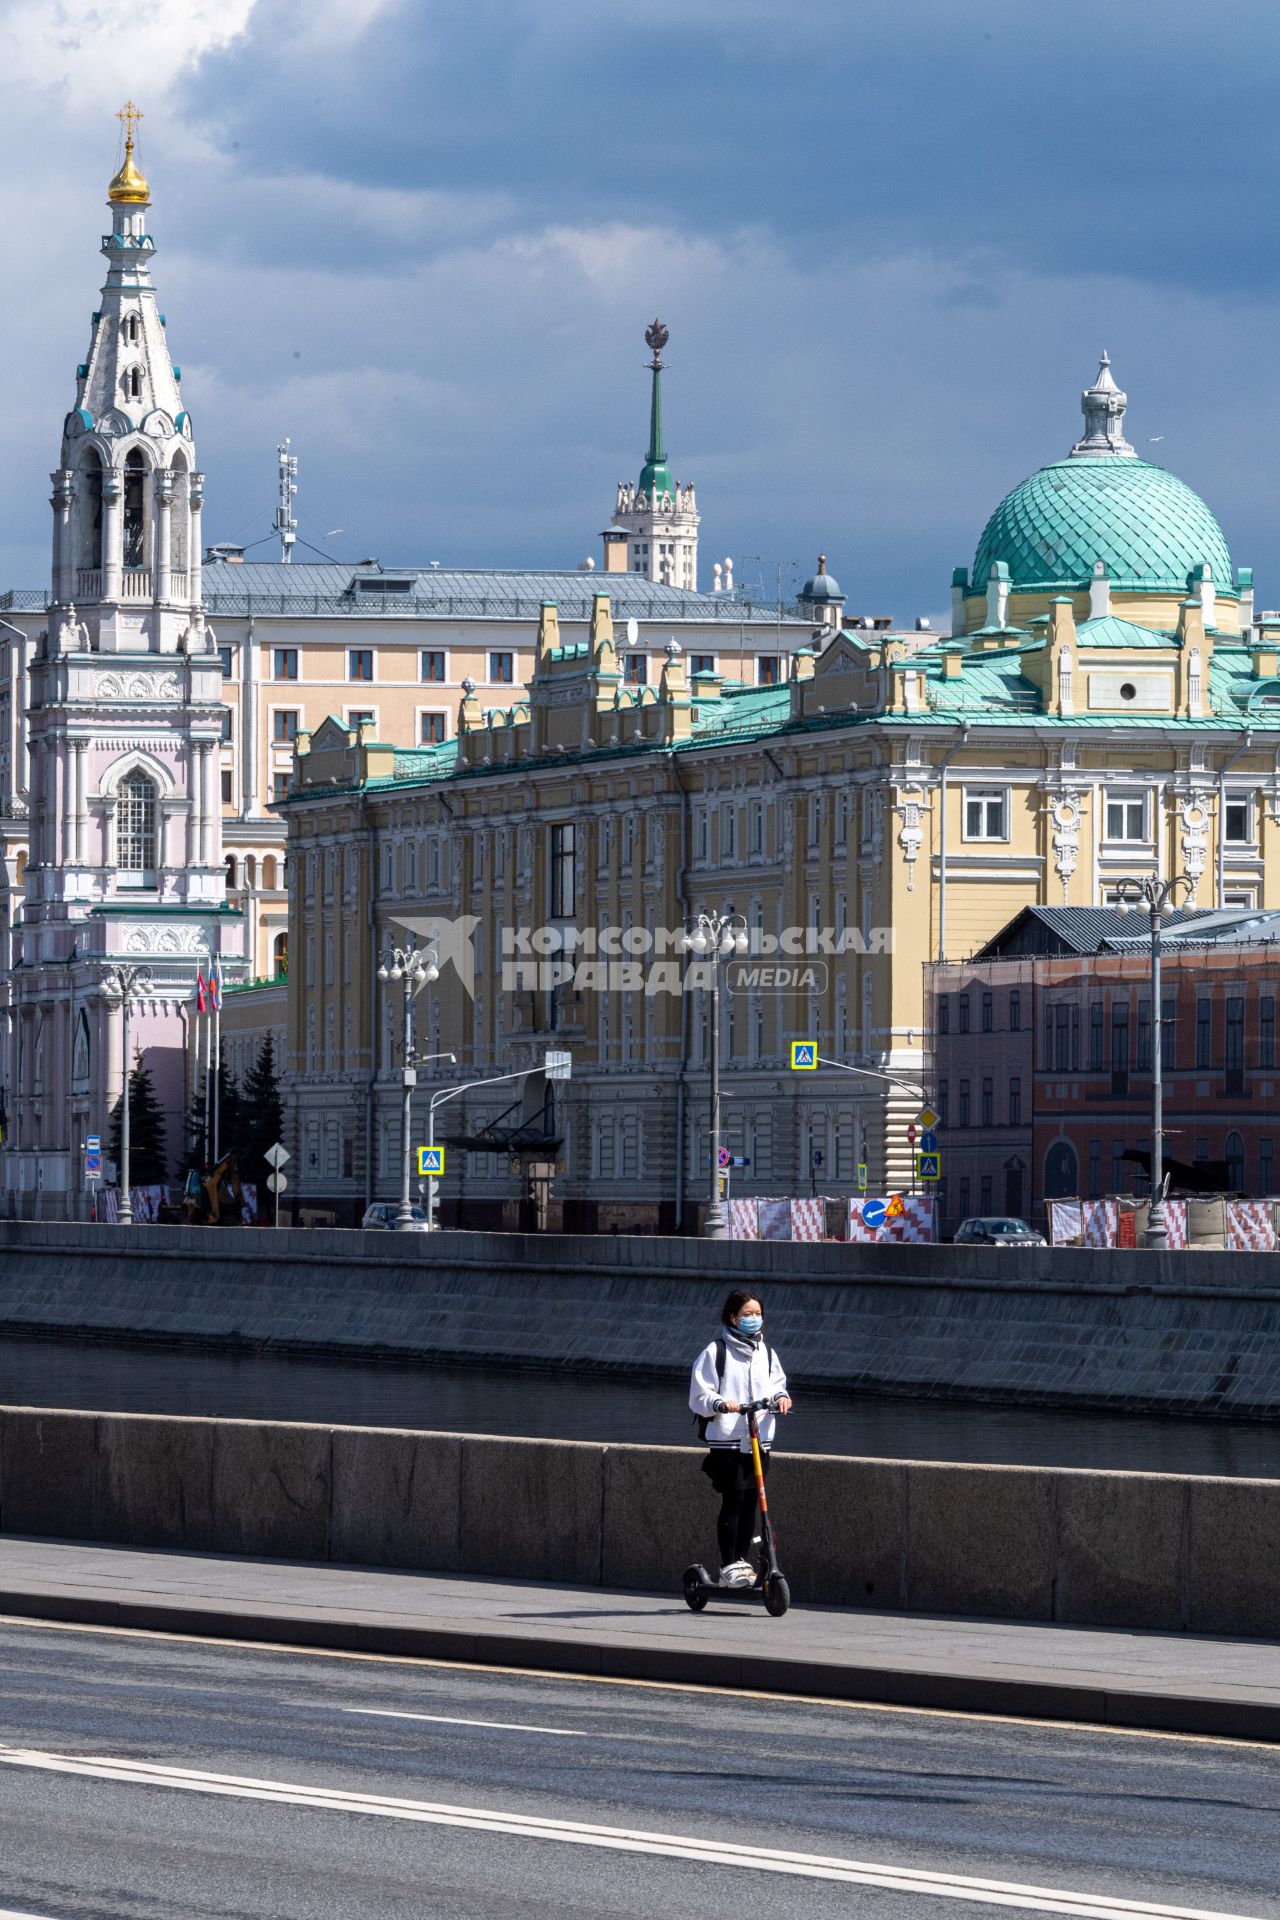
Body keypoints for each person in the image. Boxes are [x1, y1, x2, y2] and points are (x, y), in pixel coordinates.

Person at [689, 1288, 792, 1586]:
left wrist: (782, 1398)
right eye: (748, 1315)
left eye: (758, 1314)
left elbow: (776, 1385)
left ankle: (744, 1562)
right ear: (733, 1317)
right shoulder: (716, 1351)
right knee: (733, 1500)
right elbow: (700, 1393)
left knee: (752, 1502)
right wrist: (719, 1403)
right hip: (728, 1439)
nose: (754, 1319)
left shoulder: (767, 1353)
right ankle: (728, 1564)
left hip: (758, 1437)